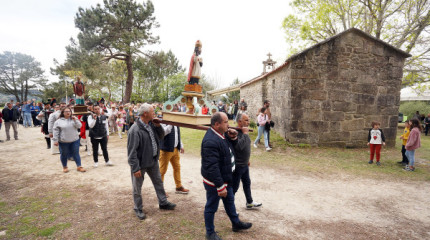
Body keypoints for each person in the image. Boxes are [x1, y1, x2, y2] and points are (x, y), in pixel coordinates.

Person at [201, 112, 252, 240]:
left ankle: (236, 224)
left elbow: (232, 150)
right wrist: (219, 186)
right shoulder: (210, 141)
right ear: (217, 124)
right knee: (211, 207)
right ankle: (210, 233)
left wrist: (233, 138)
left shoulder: (222, 135)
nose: (229, 125)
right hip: (215, 182)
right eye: (226, 122)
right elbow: (212, 167)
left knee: (230, 203)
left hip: (226, 178)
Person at [127, 103, 176, 220]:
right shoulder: (135, 130)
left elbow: (161, 136)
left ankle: (163, 202)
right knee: (137, 188)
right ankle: (138, 208)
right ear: (145, 113)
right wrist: (135, 168)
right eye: (152, 112)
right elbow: (131, 152)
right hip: (140, 164)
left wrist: (158, 126)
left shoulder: (151, 125)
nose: (154, 113)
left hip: (153, 161)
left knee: (158, 182)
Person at [232, 113, 262, 209]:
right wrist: (245, 134)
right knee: (234, 187)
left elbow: (246, 146)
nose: (248, 122)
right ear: (239, 121)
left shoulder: (244, 131)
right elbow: (239, 147)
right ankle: (229, 205)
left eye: (248, 120)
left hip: (244, 164)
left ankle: (249, 202)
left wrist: (247, 160)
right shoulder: (235, 132)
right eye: (246, 120)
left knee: (247, 183)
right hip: (238, 165)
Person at [52, 107, 86, 173]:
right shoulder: (58, 122)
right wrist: (55, 140)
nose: (68, 113)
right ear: (63, 113)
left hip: (75, 140)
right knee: (64, 154)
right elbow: (55, 131)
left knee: (76, 153)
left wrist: (76, 120)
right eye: (66, 111)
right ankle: (65, 166)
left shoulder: (74, 119)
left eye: (69, 111)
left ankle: (79, 166)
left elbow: (79, 126)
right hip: (63, 141)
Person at [159, 124, 189, 194]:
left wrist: (181, 145)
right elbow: (163, 133)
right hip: (165, 150)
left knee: (177, 168)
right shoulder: (164, 121)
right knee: (162, 170)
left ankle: (178, 187)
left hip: (175, 149)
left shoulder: (176, 120)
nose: (176, 112)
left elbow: (177, 134)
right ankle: (160, 190)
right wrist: (171, 124)